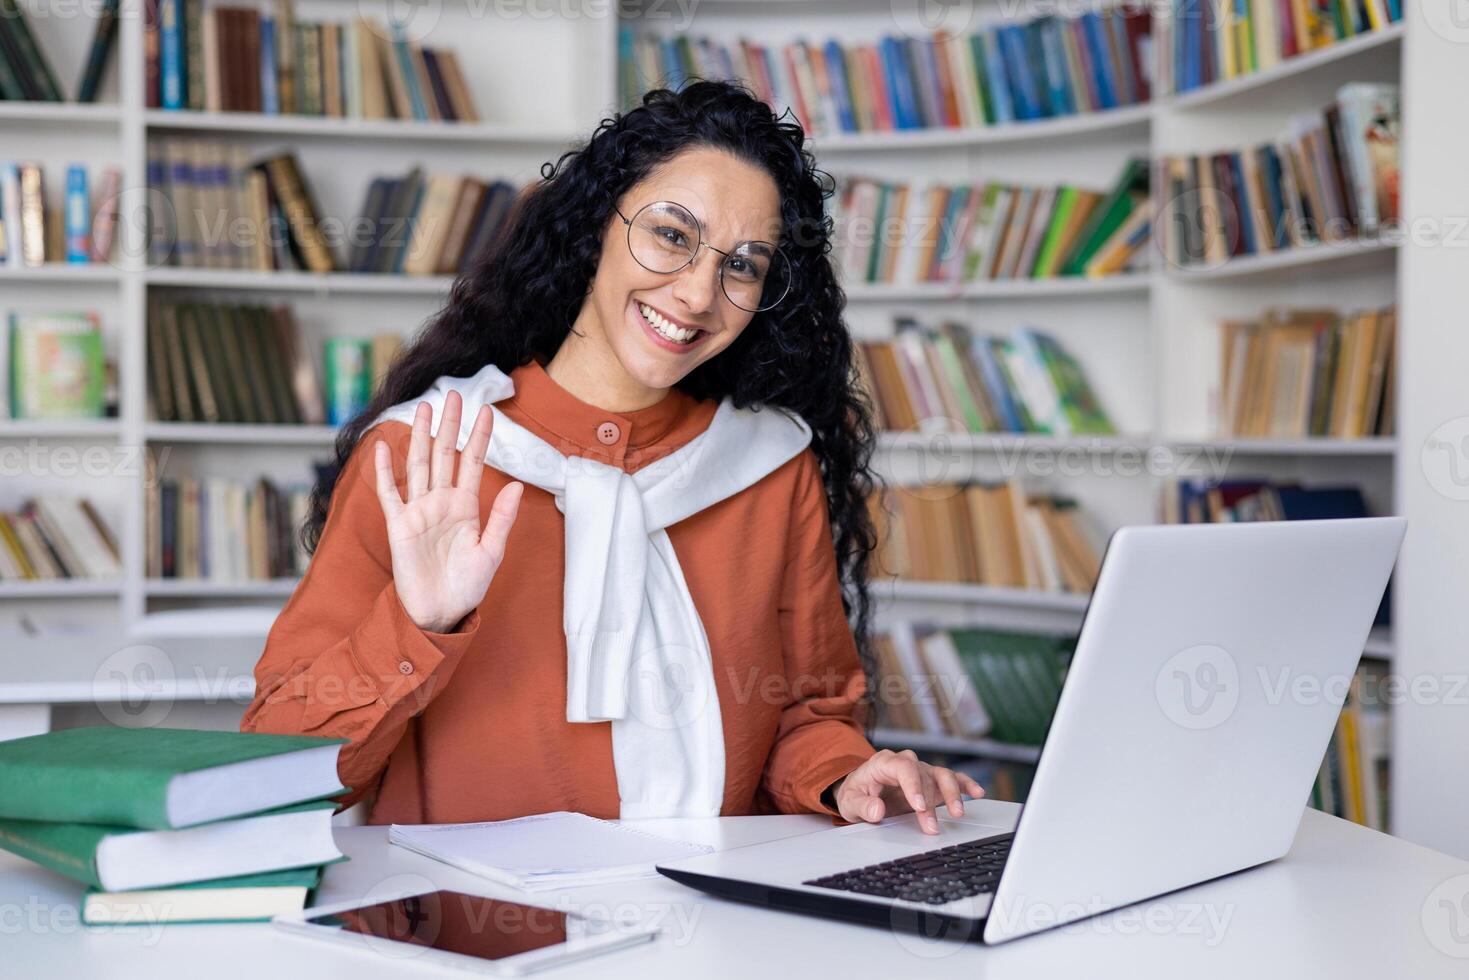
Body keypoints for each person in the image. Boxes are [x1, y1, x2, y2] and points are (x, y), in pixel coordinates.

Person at [241, 79, 983, 834]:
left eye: (742, 265)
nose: (697, 294)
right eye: (670, 234)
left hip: (717, 925)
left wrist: (844, 775)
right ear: (596, 225)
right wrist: (414, 623)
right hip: (475, 940)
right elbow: (279, 770)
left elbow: (804, 716)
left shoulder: (768, 464)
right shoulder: (424, 450)